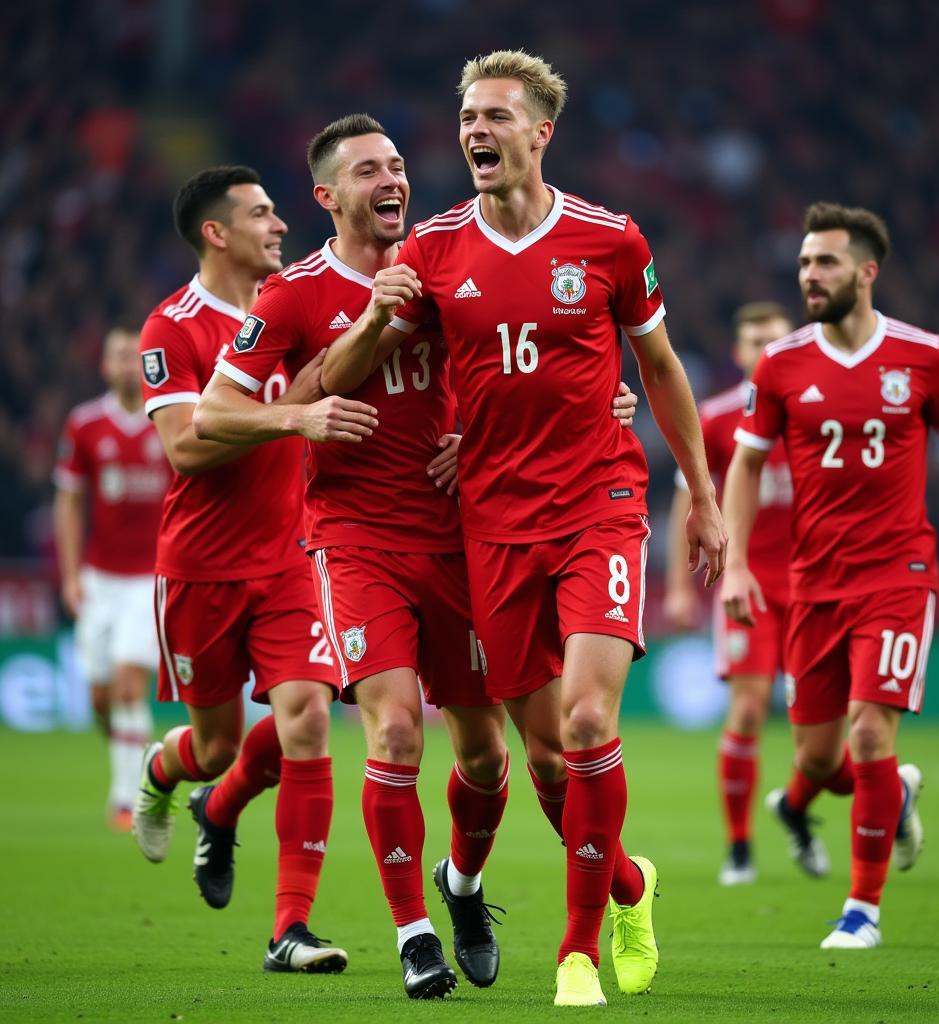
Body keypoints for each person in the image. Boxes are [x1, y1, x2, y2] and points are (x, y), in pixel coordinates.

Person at [193, 114, 640, 999]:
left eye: (397, 164)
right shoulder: (293, 294)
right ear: (328, 196)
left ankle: (467, 885)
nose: (391, 179)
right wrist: (300, 415)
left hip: (466, 537)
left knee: (491, 758)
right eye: (368, 170)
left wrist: (583, 404)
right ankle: (414, 936)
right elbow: (212, 416)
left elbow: (532, 362)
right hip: (355, 541)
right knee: (394, 729)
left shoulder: (446, 257)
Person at [318, 51, 727, 1006]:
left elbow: (659, 370)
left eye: (496, 116)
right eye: (467, 116)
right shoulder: (431, 250)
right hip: (491, 527)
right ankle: (629, 882)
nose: (475, 132)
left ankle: (578, 951)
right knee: (543, 757)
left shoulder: (611, 240)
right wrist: (380, 323)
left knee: (589, 720)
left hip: (598, 504)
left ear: (542, 132)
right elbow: (344, 379)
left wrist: (700, 493)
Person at [721, 201, 939, 949]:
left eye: (824, 262)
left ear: (866, 270)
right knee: (819, 761)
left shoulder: (925, 356)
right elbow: (747, 464)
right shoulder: (783, 363)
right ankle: (889, 793)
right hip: (811, 583)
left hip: (896, 574)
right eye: (803, 263)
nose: (809, 276)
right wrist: (734, 564)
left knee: (867, 731)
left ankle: (862, 910)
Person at [133, 165, 373, 973]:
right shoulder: (171, 327)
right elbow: (185, 447)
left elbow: (325, 380)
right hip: (200, 566)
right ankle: (182, 778)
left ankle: (290, 931)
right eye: (263, 214)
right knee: (214, 744)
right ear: (217, 232)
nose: (280, 225)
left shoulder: (286, 311)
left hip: (291, 557)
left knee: (310, 716)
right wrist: (293, 418)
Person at [663, 301, 810, 886]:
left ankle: (797, 810)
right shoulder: (718, 418)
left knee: (814, 728)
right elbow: (685, 502)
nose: (765, 350)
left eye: (776, 340)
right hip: (748, 584)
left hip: (816, 585)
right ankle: (741, 845)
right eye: (756, 341)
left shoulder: (817, 414)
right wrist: (678, 586)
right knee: (748, 710)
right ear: (739, 352)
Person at [53, 326, 170, 830]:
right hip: (100, 580)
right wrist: (72, 574)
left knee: (128, 685)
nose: (127, 365)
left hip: (150, 577)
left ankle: (128, 799)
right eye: (119, 356)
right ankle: (131, 762)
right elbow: (69, 502)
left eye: (135, 356)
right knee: (102, 699)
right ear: (105, 366)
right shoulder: (84, 426)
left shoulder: (167, 418)